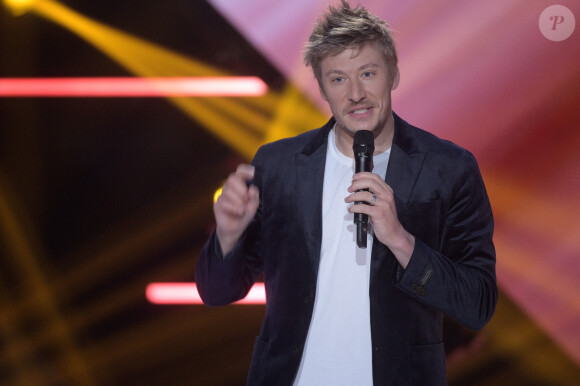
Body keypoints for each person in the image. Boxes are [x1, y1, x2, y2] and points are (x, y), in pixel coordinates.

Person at [196, 1, 497, 385]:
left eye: (367, 73)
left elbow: (478, 304)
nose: (355, 93)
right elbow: (217, 292)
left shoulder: (448, 167)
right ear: (322, 87)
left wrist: (401, 241)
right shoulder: (279, 165)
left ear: (394, 74)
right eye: (338, 79)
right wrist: (227, 235)